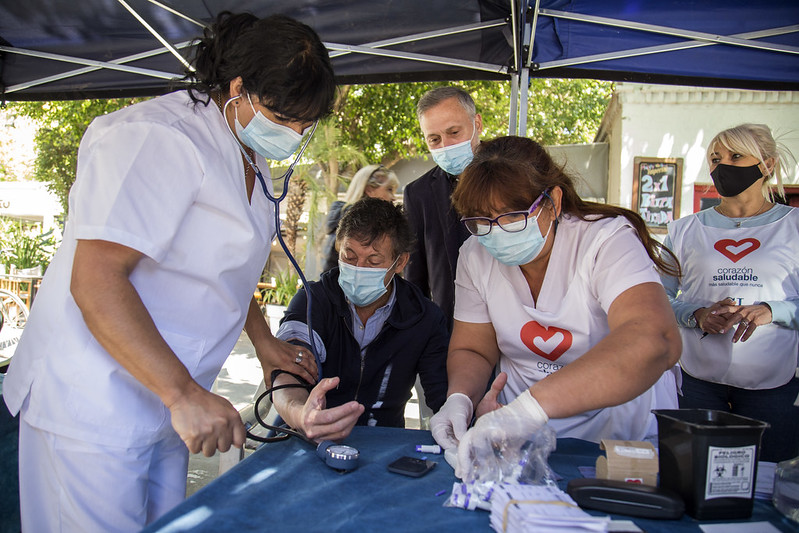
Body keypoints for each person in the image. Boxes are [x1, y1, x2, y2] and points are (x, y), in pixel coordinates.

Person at [2, 12, 335, 532]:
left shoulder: (247, 152)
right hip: (94, 401)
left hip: (167, 400)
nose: (293, 133)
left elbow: (220, 270)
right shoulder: (155, 137)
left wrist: (263, 341)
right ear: (238, 87)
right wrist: (182, 393)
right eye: (281, 115)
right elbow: (96, 279)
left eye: (306, 124)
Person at [430, 136, 683, 481]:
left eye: (512, 217)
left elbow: (656, 340)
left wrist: (528, 409)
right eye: (481, 221)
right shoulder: (475, 254)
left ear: (553, 201)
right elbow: (473, 347)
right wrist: (459, 398)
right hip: (521, 444)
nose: (496, 233)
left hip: (619, 441)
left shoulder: (604, 241)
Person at [662, 123, 799, 462]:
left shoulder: (794, 227)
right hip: (696, 383)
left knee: (766, 481)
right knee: (691, 473)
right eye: (715, 158)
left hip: (774, 388)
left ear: (767, 165)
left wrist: (772, 310)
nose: (722, 166)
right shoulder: (683, 230)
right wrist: (696, 315)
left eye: (736, 156)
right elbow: (656, 299)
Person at [272, 197, 449, 441]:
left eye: (374, 261)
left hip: (381, 444)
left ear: (400, 262)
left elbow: (442, 396)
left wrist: (462, 418)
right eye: (350, 256)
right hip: (302, 438)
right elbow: (285, 374)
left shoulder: (424, 318)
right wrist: (301, 414)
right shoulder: (313, 301)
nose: (359, 268)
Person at [403, 86, 480, 331]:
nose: (446, 145)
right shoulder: (418, 193)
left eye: (454, 132)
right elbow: (416, 279)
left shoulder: (513, 173)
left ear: (477, 123)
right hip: (451, 331)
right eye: (434, 139)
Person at [321, 164, 399, 272]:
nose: (393, 197)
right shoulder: (354, 227)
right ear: (369, 189)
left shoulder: (343, 221)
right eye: (389, 189)